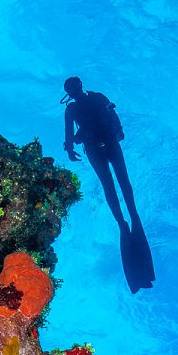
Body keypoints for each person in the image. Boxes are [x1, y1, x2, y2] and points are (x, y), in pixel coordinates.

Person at [62, 77, 155, 293]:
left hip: (104, 144)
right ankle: (125, 221)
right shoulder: (82, 104)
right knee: (113, 185)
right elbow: (70, 131)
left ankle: (129, 219)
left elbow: (110, 115)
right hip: (100, 146)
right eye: (70, 88)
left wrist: (70, 148)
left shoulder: (89, 101)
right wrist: (69, 148)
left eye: (73, 87)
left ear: (78, 86)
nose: (73, 91)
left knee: (117, 183)